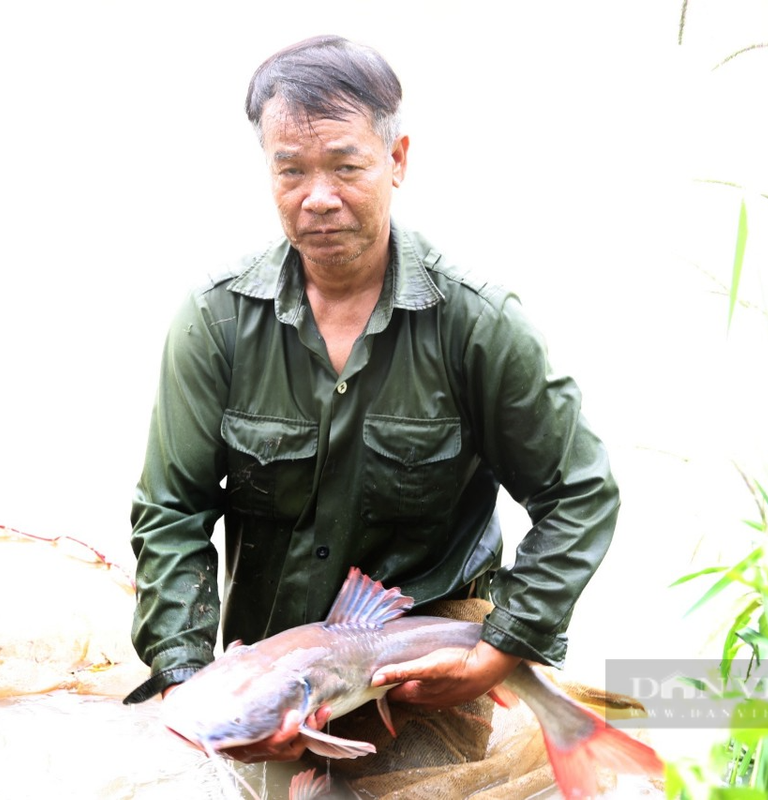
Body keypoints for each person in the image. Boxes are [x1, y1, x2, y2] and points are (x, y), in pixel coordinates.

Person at [123, 34, 620, 772]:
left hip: (426, 679)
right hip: (271, 669)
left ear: (398, 160)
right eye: (290, 170)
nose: (317, 197)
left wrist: (501, 647)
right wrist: (185, 676)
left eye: (346, 166)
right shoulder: (214, 321)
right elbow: (171, 511)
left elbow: (580, 492)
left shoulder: (477, 325)